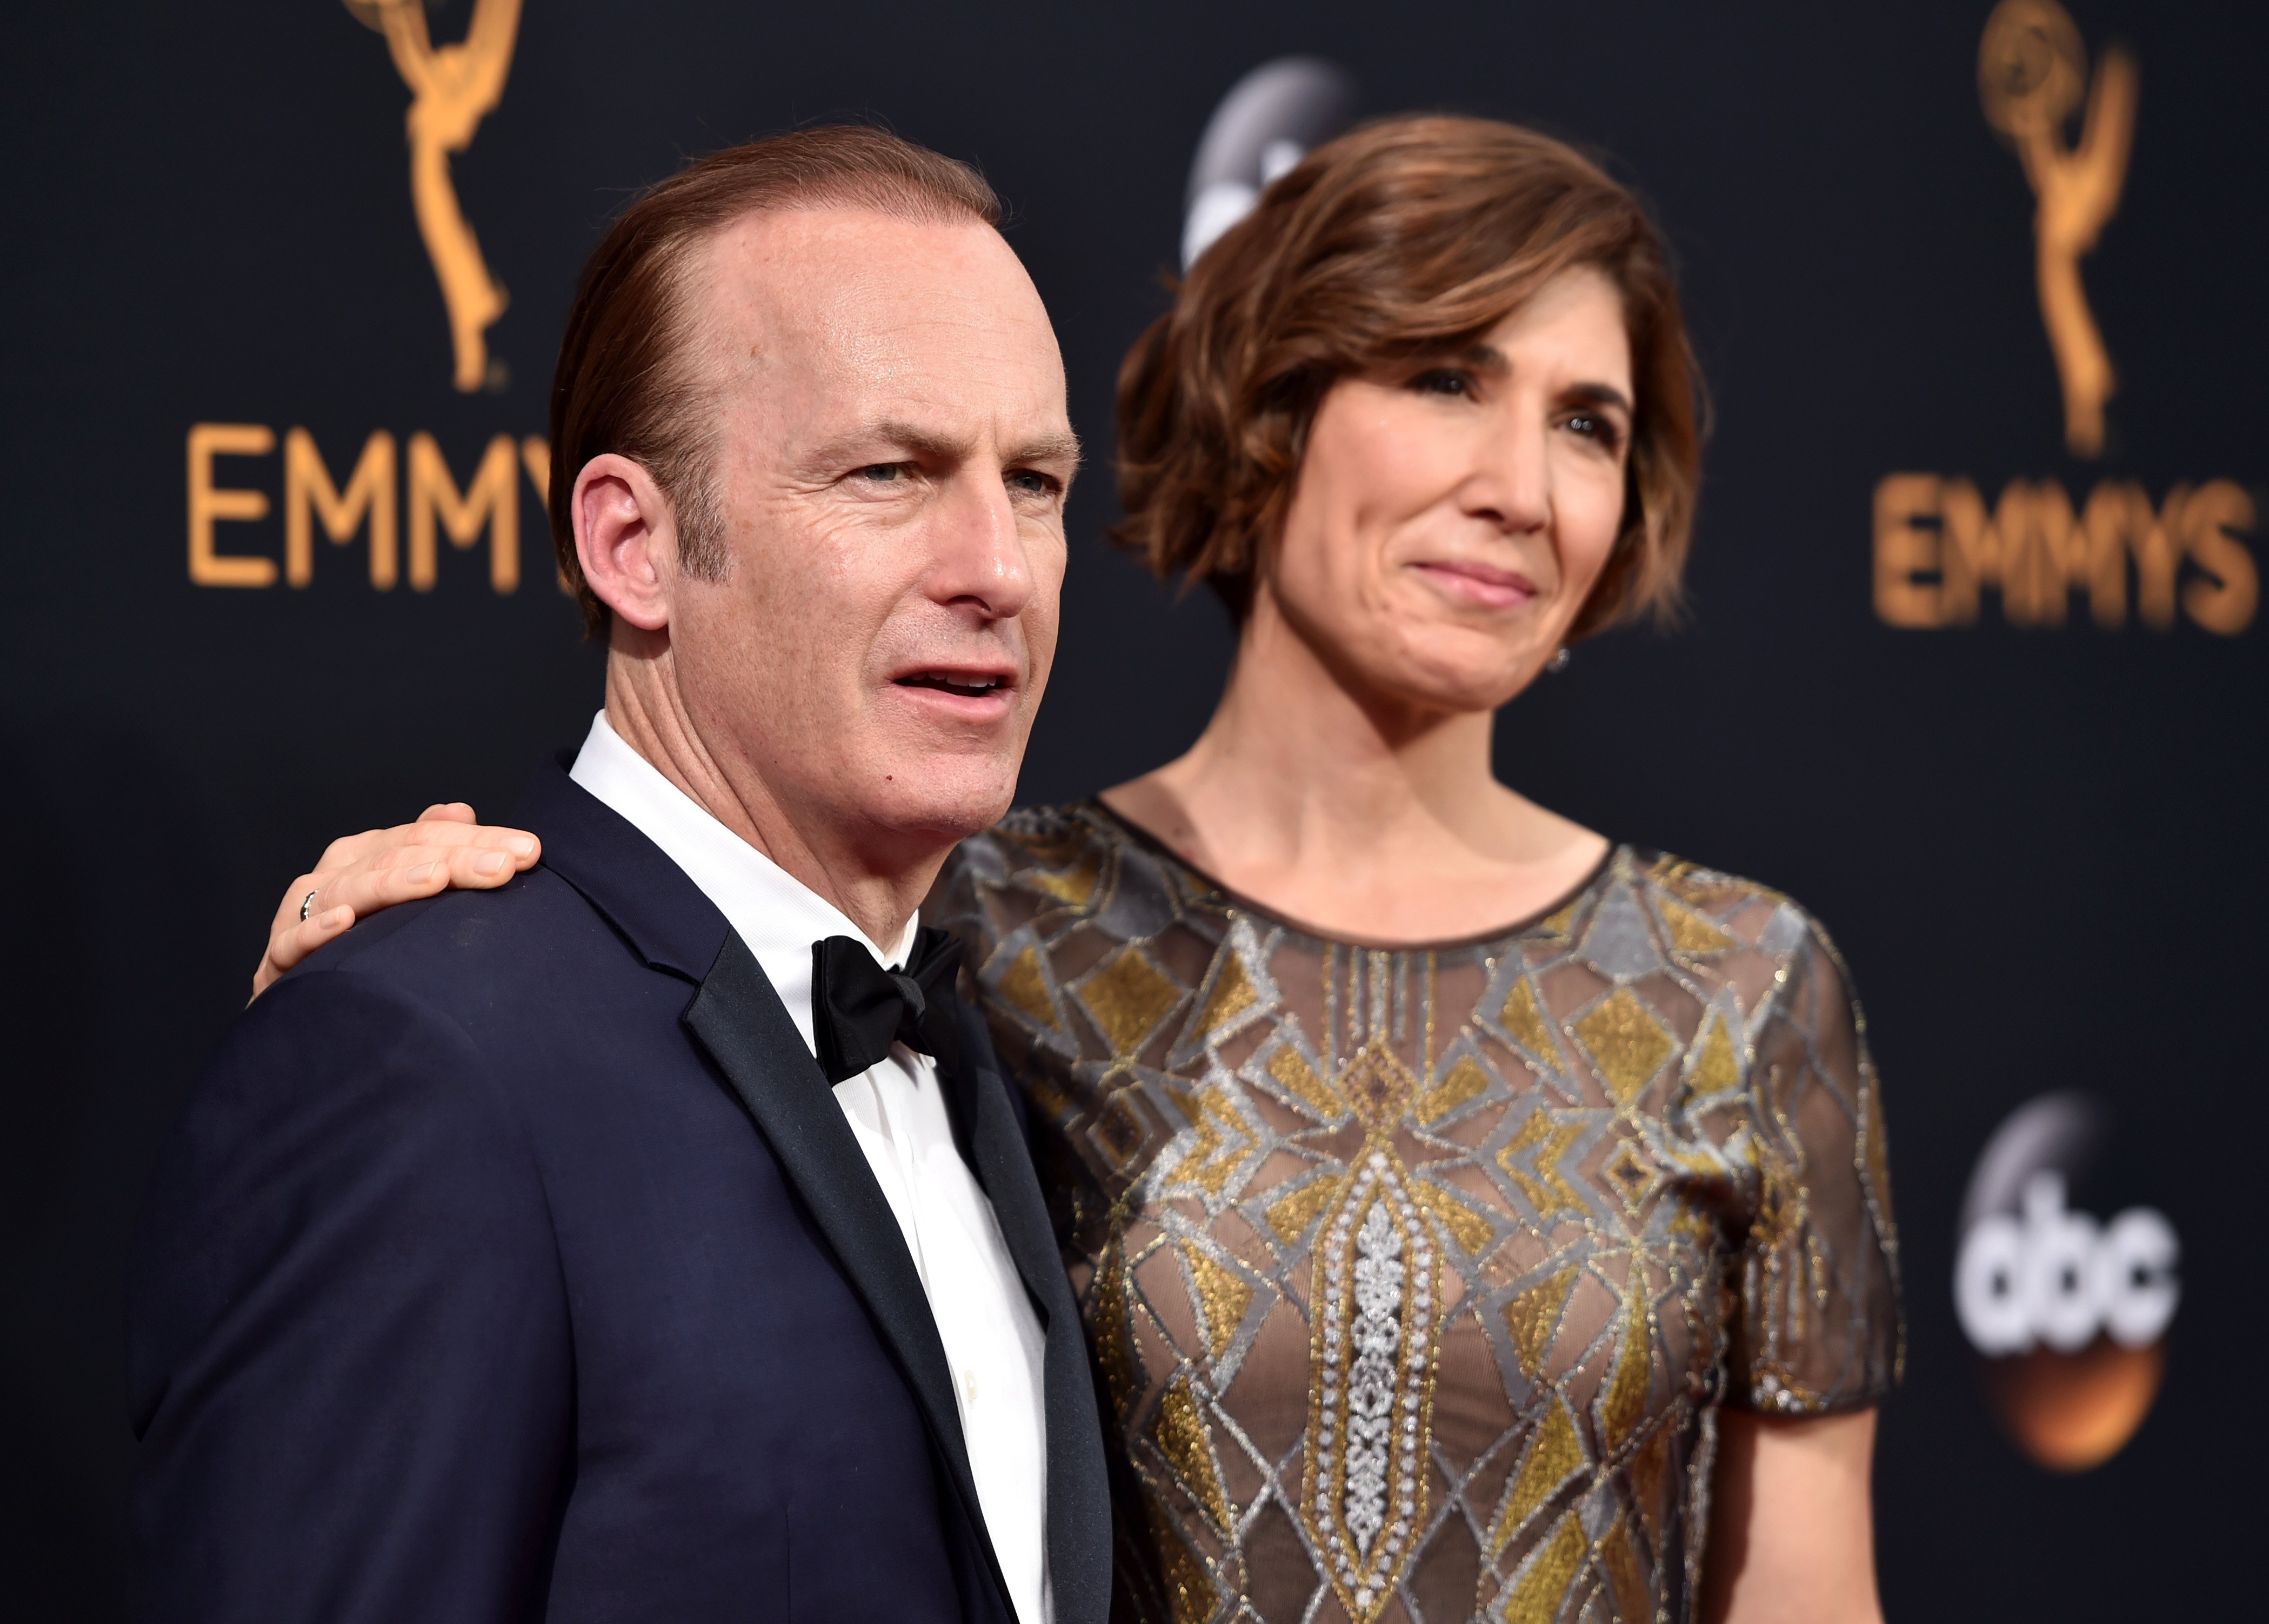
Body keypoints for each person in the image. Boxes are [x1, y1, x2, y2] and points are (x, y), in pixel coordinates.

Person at [259, 117, 1901, 1623]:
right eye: (1448, 381)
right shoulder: (968, 918)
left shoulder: (1742, 985)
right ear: (1271, 410)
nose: (1521, 491)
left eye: (1590, 426)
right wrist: (405, 969)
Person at [129, 127, 1111, 1624]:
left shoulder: (999, 1040)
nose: (999, 566)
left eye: (1032, 481)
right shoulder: (421, 1062)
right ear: (633, 545)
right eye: (888, 471)